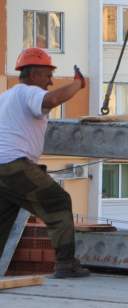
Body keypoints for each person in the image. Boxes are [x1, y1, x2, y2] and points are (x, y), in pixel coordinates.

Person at [0, 47, 90, 278]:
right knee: (58, 202)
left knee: (3, 219)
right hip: (15, 165)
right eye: (47, 76)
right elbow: (51, 99)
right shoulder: (28, 92)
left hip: (3, 169)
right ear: (33, 75)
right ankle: (66, 264)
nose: (50, 82)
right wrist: (78, 84)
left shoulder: (6, 97)